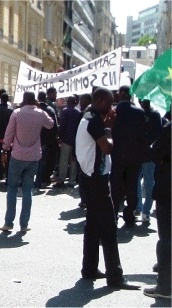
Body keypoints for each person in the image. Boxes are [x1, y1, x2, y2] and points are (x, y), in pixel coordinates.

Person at [75, 87, 140, 290]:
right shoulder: (94, 119)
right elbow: (107, 147)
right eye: (111, 103)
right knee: (109, 227)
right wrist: (110, 128)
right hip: (96, 180)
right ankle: (115, 276)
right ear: (102, 101)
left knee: (93, 225)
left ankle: (89, 268)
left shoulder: (88, 115)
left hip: (90, 177)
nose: (112, 107)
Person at [0, 92, 54, 233]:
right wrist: (40, 109)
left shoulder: (17, 113)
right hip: (33, 156)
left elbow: (9, 132)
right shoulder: (40, 113)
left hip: (17, 155)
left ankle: (8, 223)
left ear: (23, 100)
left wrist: (5, 148)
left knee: (12, 189)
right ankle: (24, 224)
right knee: (28, 190)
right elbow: (51, 124)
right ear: (34, 100)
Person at [110, 85, 146, 227]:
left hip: (117, 155)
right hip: (134, 156)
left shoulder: (113, 112)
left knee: (115, 184)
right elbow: (143, 135)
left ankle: (114, 212)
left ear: (119, 95)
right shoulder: (139, 112)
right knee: (132, 185)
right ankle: (129, 212)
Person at [143, 120, 171, 298]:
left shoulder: (169, 129)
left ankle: (166, 287)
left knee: (167, 239)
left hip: (168, 188)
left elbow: (154, 153)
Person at [135, 99, 162, 221]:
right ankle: (139, 207)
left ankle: (145, 211)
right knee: (136, 182)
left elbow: (157, 134)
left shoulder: (155, 115)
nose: (141, 102)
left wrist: (144, 141)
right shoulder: (138, 113)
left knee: (148, 184)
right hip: (138, 154)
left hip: (148, 155)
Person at [54, 96, 82, 188]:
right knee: (73, 160)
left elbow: (62, 125)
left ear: (67, 101)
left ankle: (61, 179)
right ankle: (72, 181)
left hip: (66, 139)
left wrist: (60, 136)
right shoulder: (78, 112)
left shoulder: (64, 111)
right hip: (75, 140)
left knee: (63, 160)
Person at [35, 91, 58, 190]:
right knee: (43, 162)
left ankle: (32, 181)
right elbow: (55, 126)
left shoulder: (35, 110)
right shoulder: (50, 110)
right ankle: (41, 180)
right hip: (46, 140)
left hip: (34, 140)